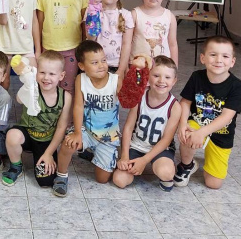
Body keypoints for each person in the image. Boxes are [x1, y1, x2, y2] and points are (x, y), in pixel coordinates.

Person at [53, 41, 121, 197]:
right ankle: (61, 176)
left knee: (102, 179)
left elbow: (129, 98)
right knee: (69, 143)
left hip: (108, 137)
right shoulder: (80, 79)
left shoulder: (115, 80)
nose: (101, 65)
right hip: (87, 130)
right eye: (95, 63)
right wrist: (77, 132)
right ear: (82, 66)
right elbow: (78, 107)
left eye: (103, 60)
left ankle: (93, 153)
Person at [174, 36, 241, 189]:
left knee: (213, 184)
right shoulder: (197, 77)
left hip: (222, 134)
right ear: (203, 58)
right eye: (213, 54)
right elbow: (185, 102)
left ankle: (211, 160)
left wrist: (203, 132)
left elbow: (226, 117)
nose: (218, 60)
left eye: (225, 56)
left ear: (232, 62)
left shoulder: (236, 86)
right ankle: (187, 164)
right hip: (197, 123)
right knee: (188, 132)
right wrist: (182, 124)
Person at [2, 51, 72, 187]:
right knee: (12, 135)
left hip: (46, 141)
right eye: (42, 72)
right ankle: (16, 166)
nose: (46, 78)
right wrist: (28, 83)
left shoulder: (65, 97)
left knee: (45, 182)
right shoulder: (32, 88)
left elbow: (61, 127)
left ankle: (41, 154)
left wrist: (48, 153)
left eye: (52, 74)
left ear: (61, 76)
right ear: (36, 72)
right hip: (27, 135)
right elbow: (19, 99)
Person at [113, 56, 181, 191]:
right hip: (136, 146)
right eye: (156, 75)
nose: (161, 81)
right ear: (148, 77)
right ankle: (134, 164)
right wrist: (124, 156)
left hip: (160, 149)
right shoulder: (140, 97)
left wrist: (144, 160)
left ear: (174, 81)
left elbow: (167, 139)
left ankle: (165, 170)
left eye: (167, 77)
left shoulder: (175, 107)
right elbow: (128, 128)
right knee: (119, 180)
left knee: (166, 172)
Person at [37, 0, 89, 94]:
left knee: (68, 86)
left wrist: (83, 47)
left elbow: (85, 22)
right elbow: (39, 23)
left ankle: (66, 110)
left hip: (72, 49)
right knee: (48, 85)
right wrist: (38, 48)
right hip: (49, 48)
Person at [86, 0, 134, 79]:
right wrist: (93, 14)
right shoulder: (91, 11)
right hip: (93, 64)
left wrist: (121, 69)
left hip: (115, 66)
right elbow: (90, 39)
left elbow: (127, 44)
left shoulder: (126, 15)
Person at [131, 0, 178, 65]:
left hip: (162, 68)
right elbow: (127, 43)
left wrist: (174, 67)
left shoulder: (170, 17)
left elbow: (173, 44)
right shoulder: (135, 14)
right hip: (138, 66)